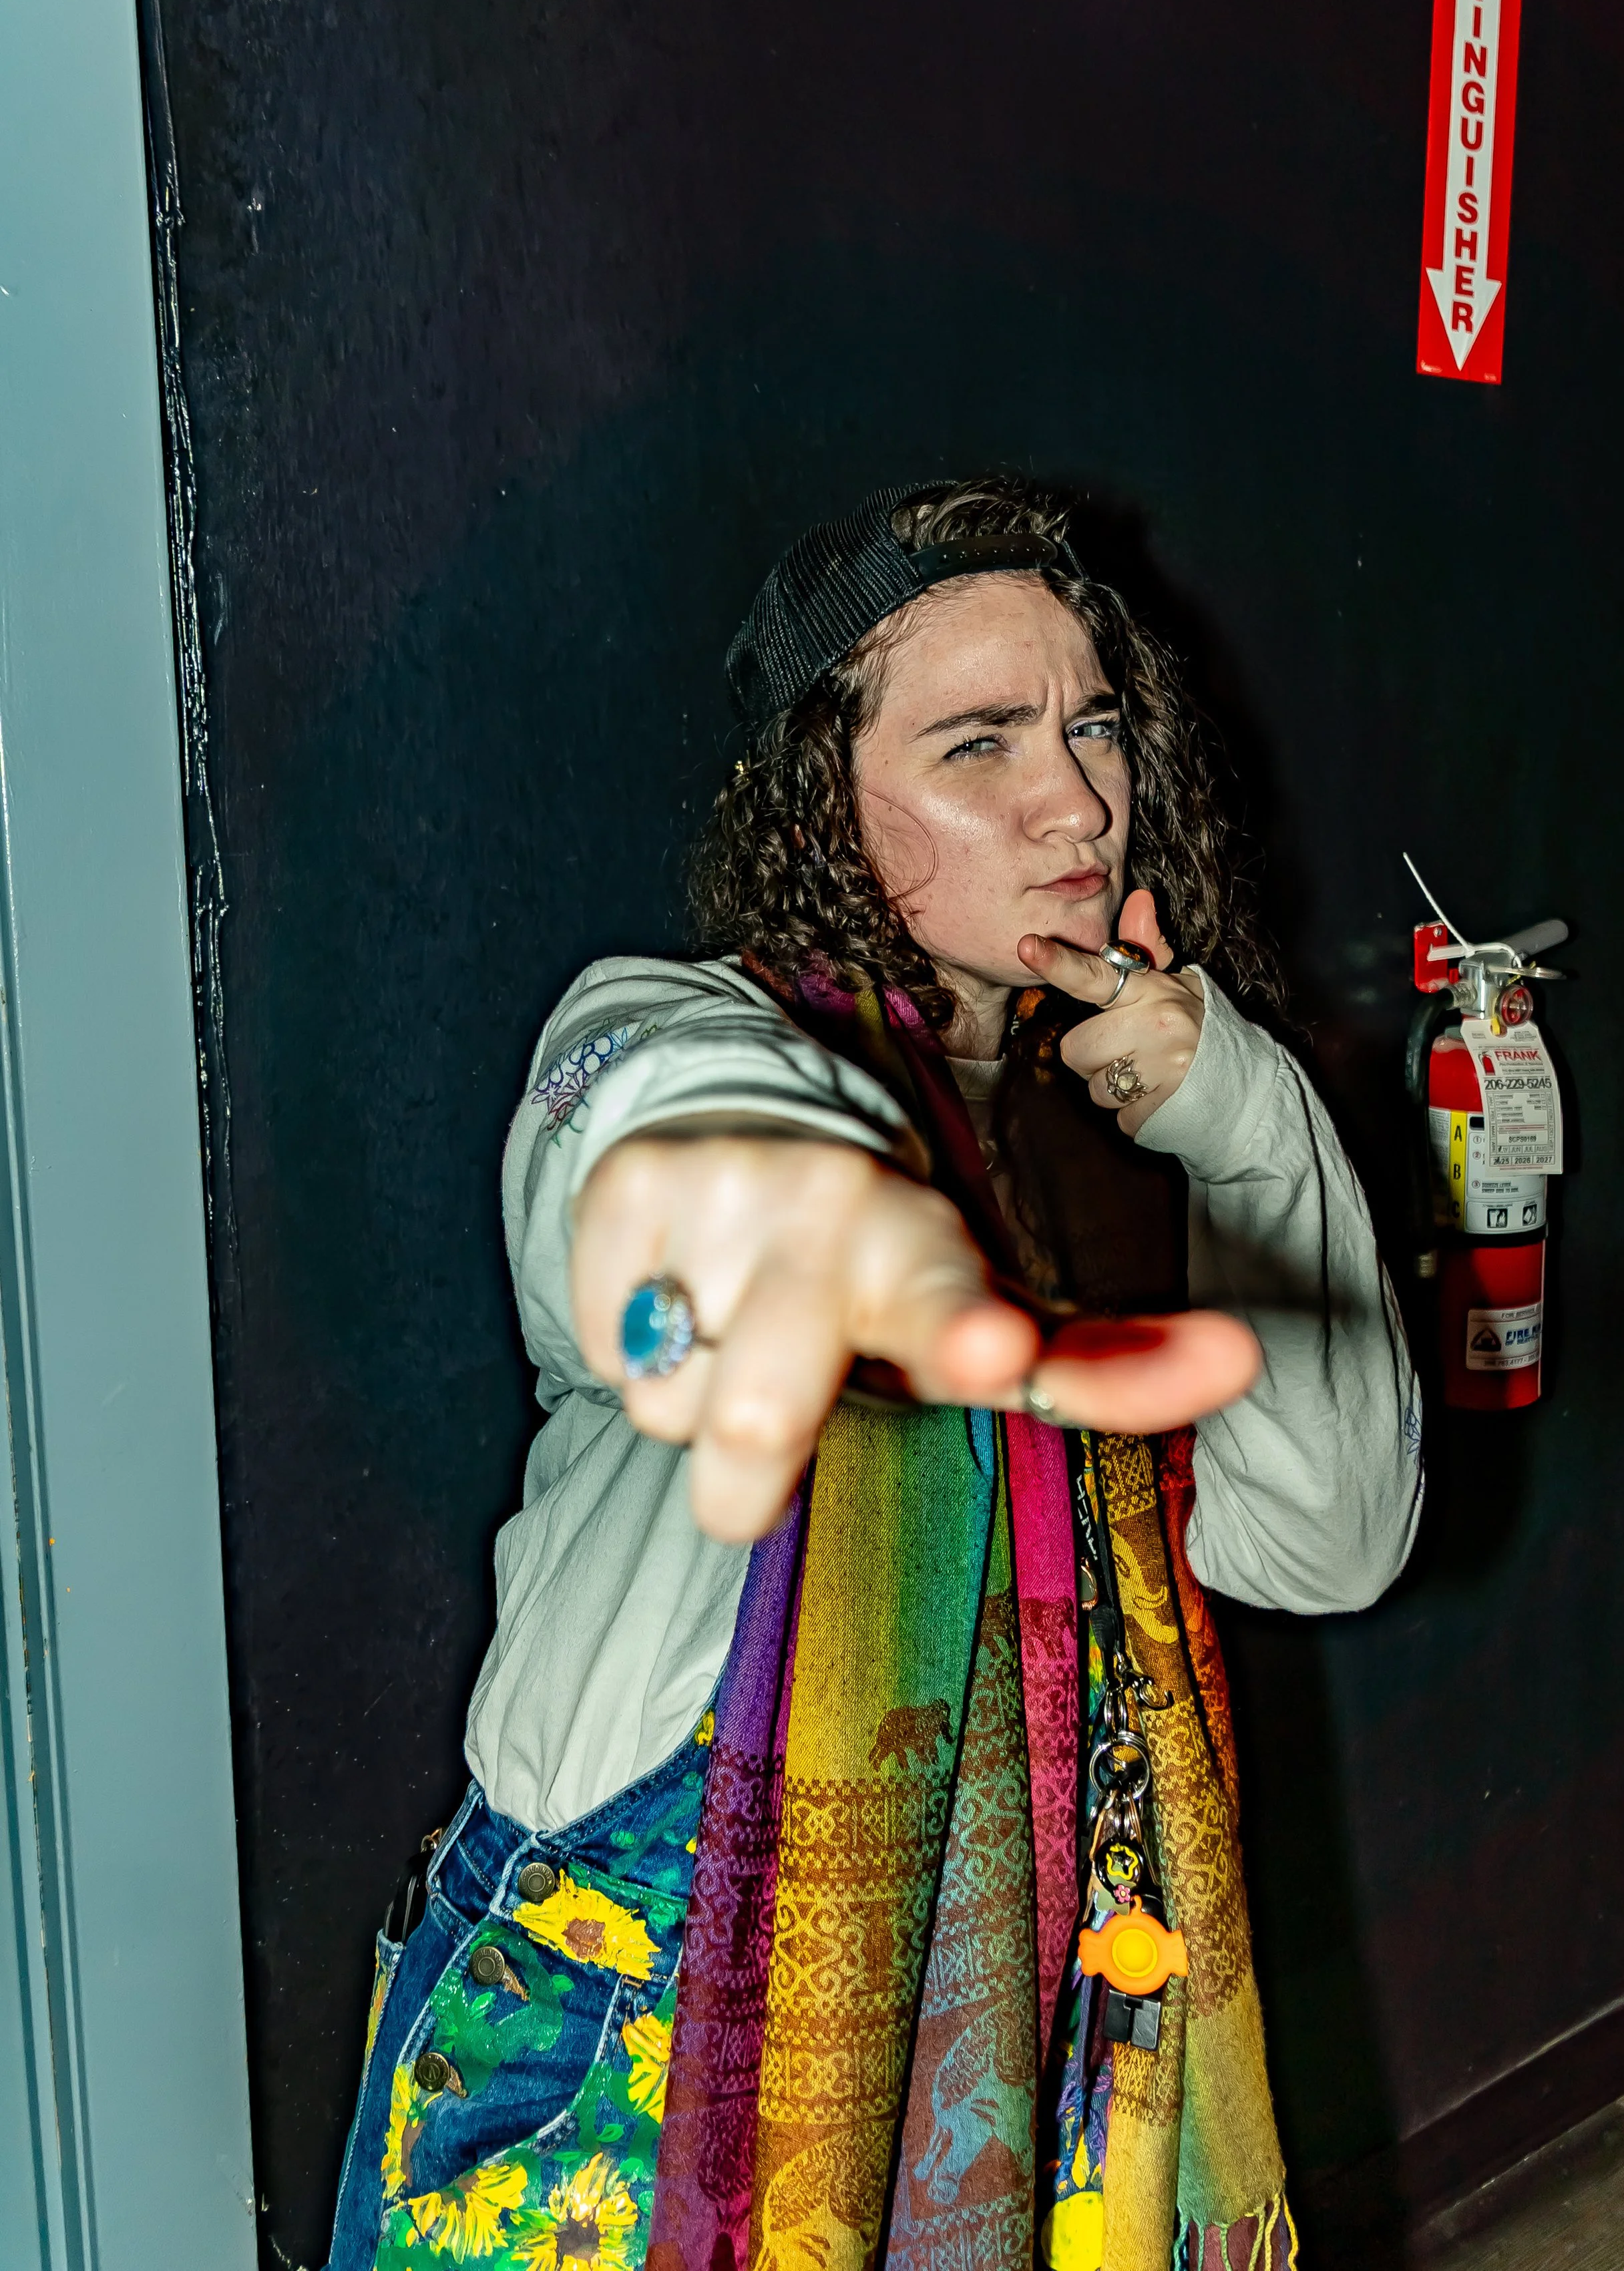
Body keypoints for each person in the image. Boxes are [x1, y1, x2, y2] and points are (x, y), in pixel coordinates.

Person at [326, 478, 1422, 2271]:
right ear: (820, 798)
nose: (1074, 801)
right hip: (632, 2087)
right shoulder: (676, 1031)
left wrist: (1244, 1119)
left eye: (1089, 727)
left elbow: (1334, 1536)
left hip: (1021, 2084)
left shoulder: (1113, 1162)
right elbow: (645, 1151)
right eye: (975, 744)